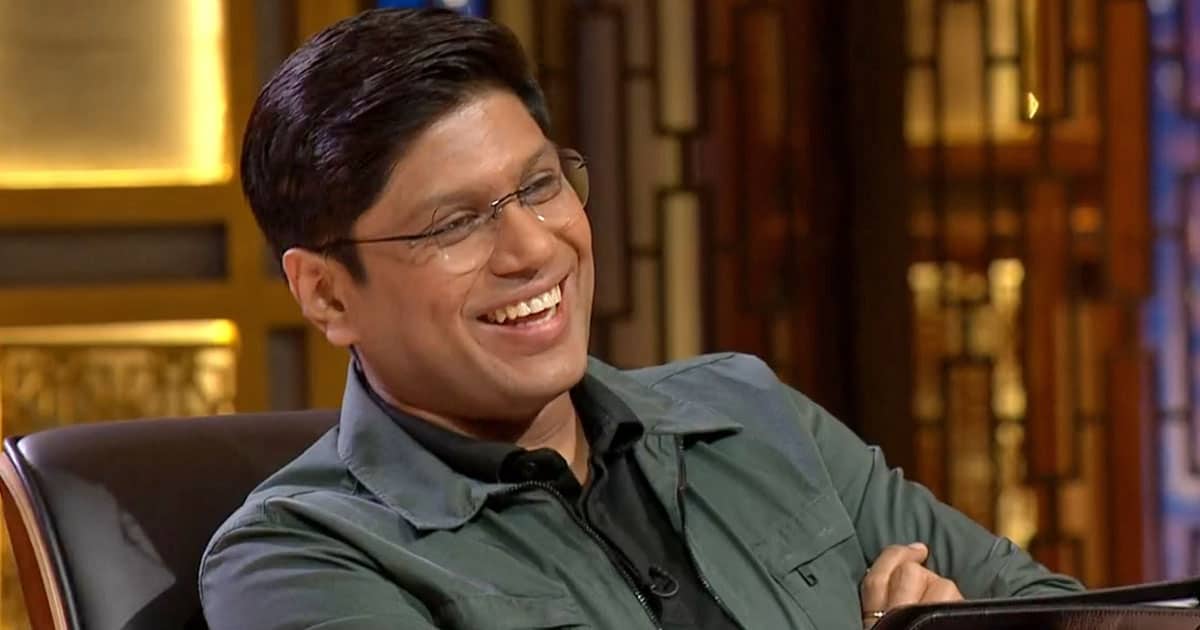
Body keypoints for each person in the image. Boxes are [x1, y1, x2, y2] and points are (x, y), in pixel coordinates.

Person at [199, 8, 1082, 630]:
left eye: (540, 186)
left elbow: (1067, 616)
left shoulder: (749, 412)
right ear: (326, 294)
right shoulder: (298, 559)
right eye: (456, 223)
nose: (534, 248)